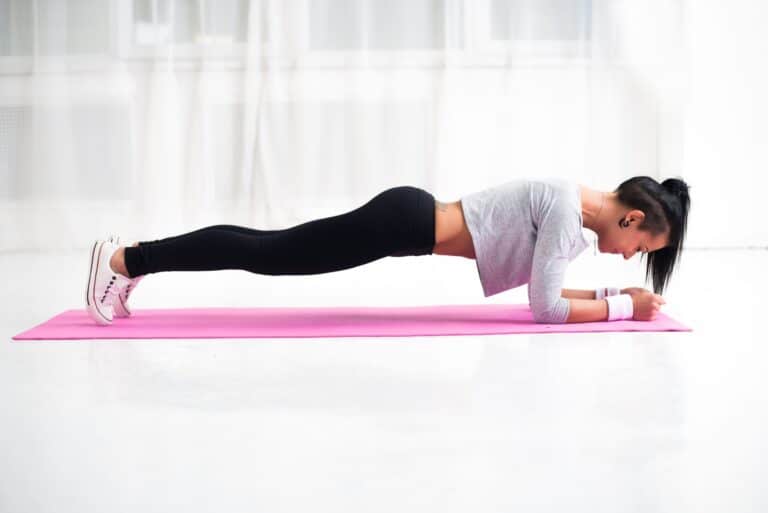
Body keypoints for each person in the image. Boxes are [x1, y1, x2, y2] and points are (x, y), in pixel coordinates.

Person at [85, 177, 690, 326]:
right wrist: (621, 308)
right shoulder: (566, 219)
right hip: (402, 222)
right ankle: (126, 262)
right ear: (632, 217)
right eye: (641, 246)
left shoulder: (569, 200)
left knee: (267, 248)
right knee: (266, 252)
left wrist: (619, 296)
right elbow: (547, 309)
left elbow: (546, 289)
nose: (629, 255)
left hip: (406, 217)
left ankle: (133, 260)